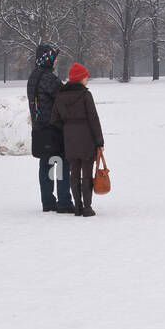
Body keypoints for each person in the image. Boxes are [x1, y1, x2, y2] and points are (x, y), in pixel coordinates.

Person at [51, 62, 105, 217]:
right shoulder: (85, 95)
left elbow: (54, 119)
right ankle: (87, 207)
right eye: (86, 77)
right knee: (87, 173)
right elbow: (94, 119)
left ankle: (77, 207)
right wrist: (99, 141)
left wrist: (67, 127)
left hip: (70, 139)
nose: (87, 79)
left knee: (73, 173)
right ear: (81, 79)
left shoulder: (60, 96)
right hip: (87, 138)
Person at [28, 43, 73, 213]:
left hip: (39, 128)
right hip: (53, 128)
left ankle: (47, 201)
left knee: (46, 164)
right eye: (54, 58)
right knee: (61, 163)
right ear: (47, 59)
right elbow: (63, 96)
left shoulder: (33, 77)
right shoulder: (48, 78)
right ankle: (64, 202)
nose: (55, 61)